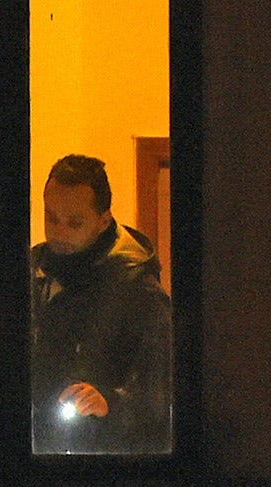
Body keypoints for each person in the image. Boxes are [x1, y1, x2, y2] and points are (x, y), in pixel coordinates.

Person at [30, 153, 172, 454]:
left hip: (107, 464)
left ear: (103, 220)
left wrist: (110, 403)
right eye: (51, 217)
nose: (59, 232)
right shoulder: (37, 271)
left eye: (74, 222)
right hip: (45, 452)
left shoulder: (136, 289)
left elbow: (161, 394)